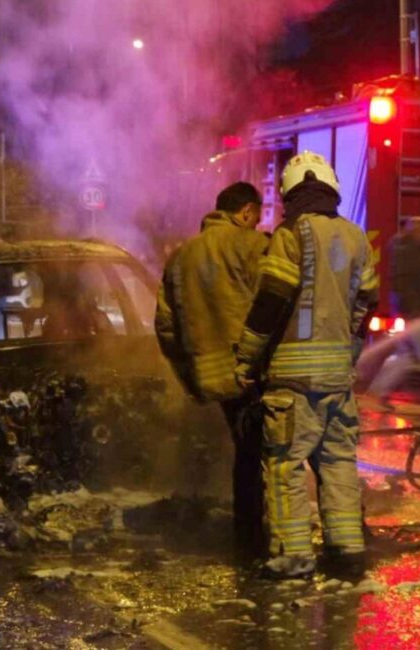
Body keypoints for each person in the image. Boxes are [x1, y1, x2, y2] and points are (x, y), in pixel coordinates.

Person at [235, 152, 379, 580]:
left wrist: (247, 356)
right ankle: (347, 550)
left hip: (293, 380)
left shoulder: (290, 233)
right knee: (337, 462)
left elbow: (272, 300)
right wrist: (349, 355)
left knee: (285, 465)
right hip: (338, 377)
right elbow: (364, 306)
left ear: (289, 195)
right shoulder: (356, 237)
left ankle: (293, 556)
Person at [155, 182, 270, 557]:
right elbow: (274, 304)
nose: (258, 222)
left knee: (245, 450)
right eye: (258, 215)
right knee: (263, 454)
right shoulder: (252, 245)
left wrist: (190, 376)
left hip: (210, 376)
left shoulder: (181, 256)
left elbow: (166, 327)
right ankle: (257, 540)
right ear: (246, 212)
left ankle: (245, 533)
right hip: (252, 371)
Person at [366, 216, 420, 411]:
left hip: (410, 311)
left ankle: (377, 392)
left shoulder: (409, 249)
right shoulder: (409, 252)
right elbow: (406, 283)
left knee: (404, 357)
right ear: (416, 232)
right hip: (415, 313)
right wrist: (416, 309)